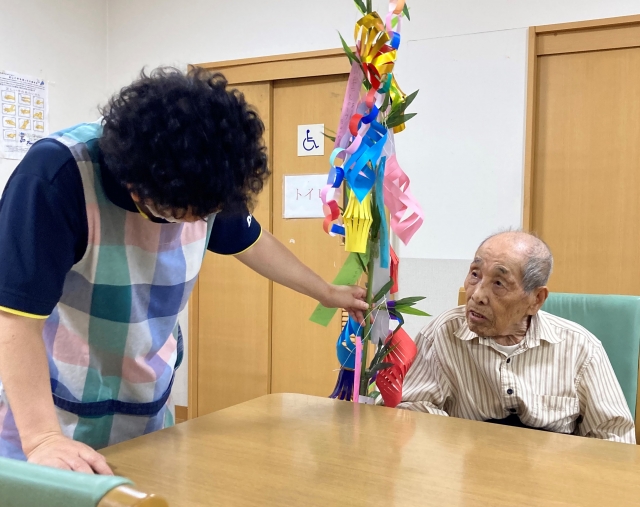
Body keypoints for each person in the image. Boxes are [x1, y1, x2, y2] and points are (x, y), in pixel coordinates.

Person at [0, 67, 368, 473]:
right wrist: (42, 438)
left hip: (145, 400)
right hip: (51, 411)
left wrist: (326, 292)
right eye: (181, 214)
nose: (196, 223)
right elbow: (14, 317)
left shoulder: (207, 179)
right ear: (137, 186)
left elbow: (252, 242)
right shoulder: (56, 176)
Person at [399, 231, 635, 443]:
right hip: (467, 468)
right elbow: (412, 412)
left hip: (552, 472)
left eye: (499, 283)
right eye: (475, 274)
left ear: (536, 300)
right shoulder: (441, 334)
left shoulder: (581, 348)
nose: (477, 295)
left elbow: (614, 437)